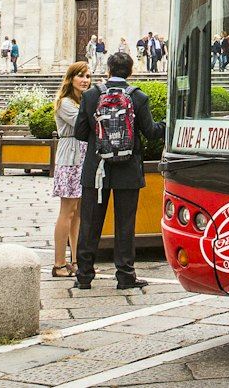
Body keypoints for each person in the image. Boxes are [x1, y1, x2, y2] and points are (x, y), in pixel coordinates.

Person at [73, 50, 163, 290]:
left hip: (97, 168)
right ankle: (125, 275)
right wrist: (168, 123)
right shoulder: (138, 97)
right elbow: (152, 132)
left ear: (108, 71)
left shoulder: (91, 95)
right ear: (130, 72)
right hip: (128, 169)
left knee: (90, 222)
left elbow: (80, 132)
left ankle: (84, 276)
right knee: (125, 223)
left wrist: (101, 139)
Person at [51, 61, 92, 278]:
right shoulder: (65, 102)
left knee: (78, 214)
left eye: (87, 76)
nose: (85, 80)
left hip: (83, 157)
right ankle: (59, 263)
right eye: (81, 76)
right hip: (70, 158)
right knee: (67, 212)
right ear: (71, 78)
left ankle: (76, 260)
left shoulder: (82, 100)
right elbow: (82, 123)